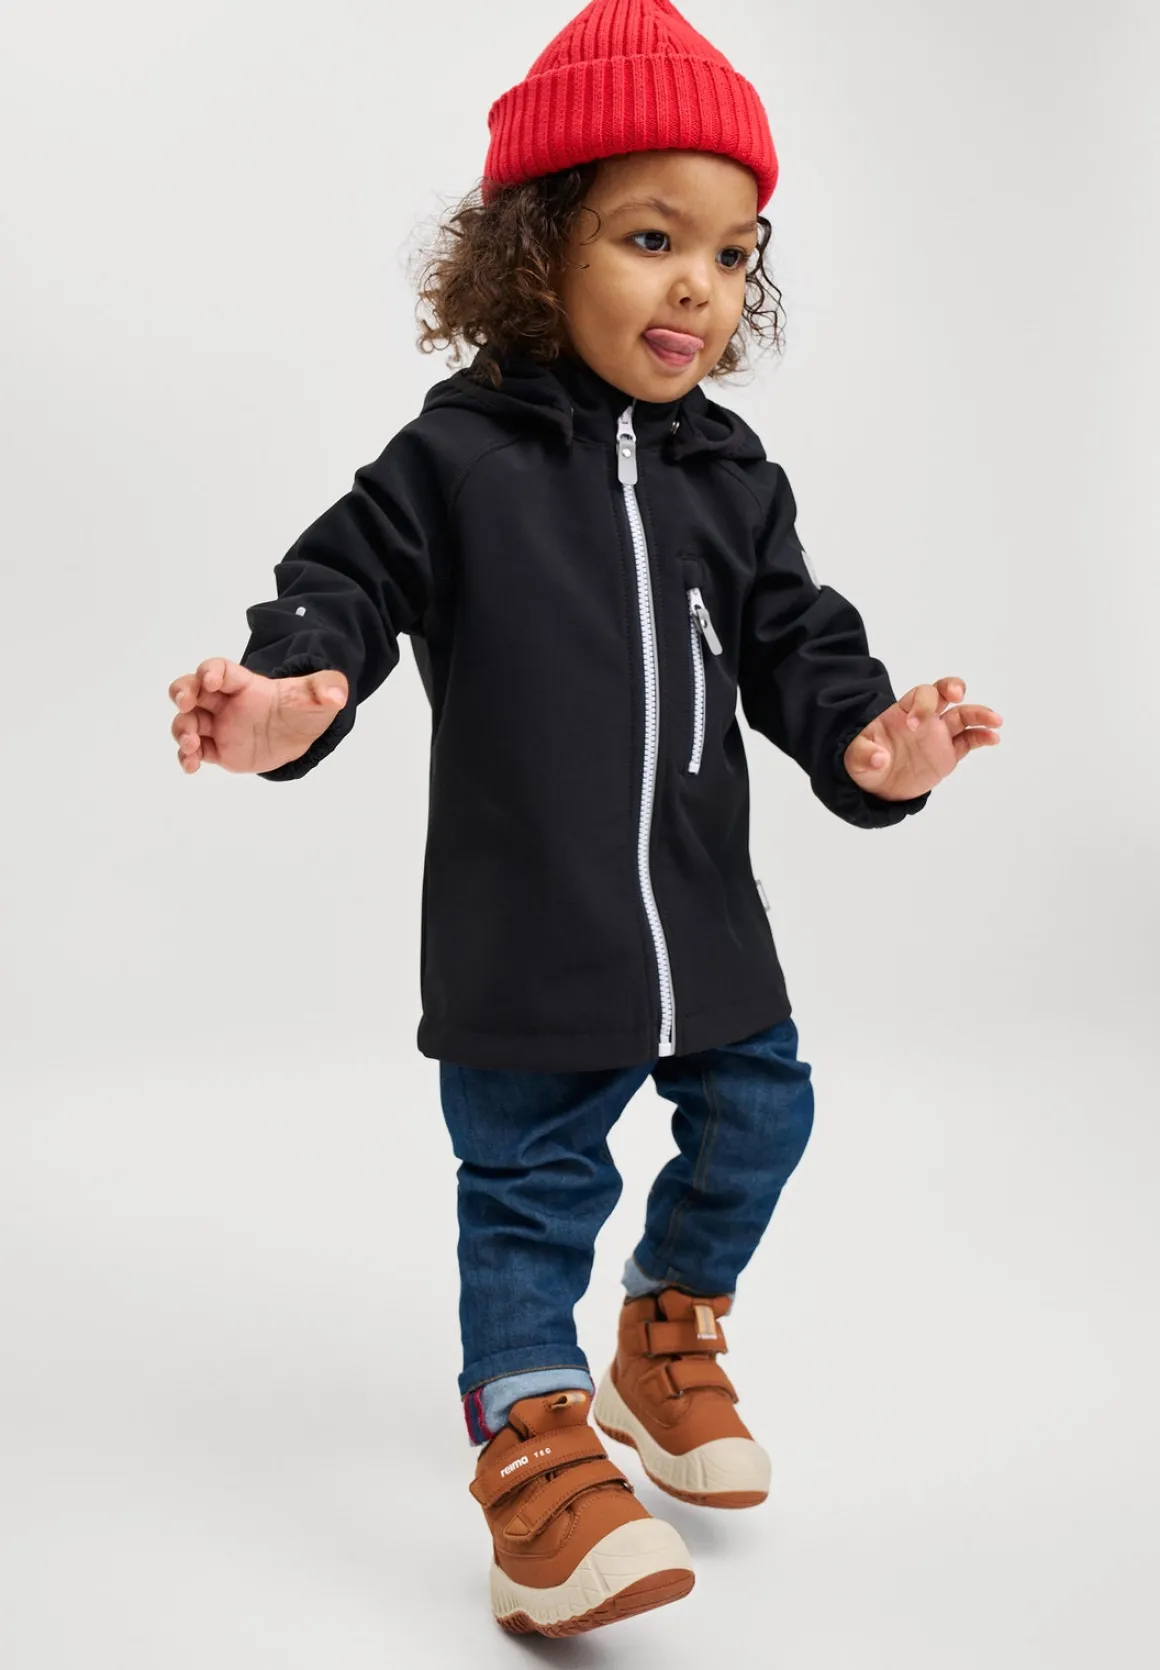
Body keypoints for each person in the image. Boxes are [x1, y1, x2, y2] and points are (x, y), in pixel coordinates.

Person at [167, 0, 1003, 1639]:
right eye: (651, 237)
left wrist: (874, 743)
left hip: (702, 922)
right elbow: (340, 588)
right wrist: (283, 699)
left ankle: (663, 1332)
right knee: (530, 1192)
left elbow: (799, 646)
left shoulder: (733, 476)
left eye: (734, 255)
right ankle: (533, 1452)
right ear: (535, 249)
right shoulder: (456, 459)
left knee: (764, 1115)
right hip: (528, 930)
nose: (700, 286)